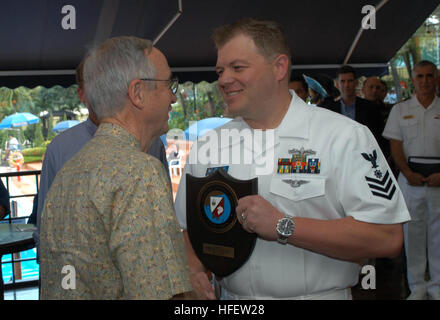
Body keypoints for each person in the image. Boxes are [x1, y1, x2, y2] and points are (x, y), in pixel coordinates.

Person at [174, 18, 410, 300]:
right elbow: (190, 230)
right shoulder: (208, 145)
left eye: (238, 67)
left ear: (279, 67)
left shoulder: (344, 136)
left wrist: (283, 225)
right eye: (220, 70)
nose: (223, 79)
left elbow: (387, 236)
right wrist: (191, 269)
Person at [39, 36, 192, 299]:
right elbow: (160, 293)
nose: (173, 98)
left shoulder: (69, 171)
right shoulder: (139, 172)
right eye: (169, 84)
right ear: (137, 93)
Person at [34, 58, 170, 258]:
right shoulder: (60, 149)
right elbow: (46, 226)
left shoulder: (153, 143)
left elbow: (165, 214)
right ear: (82, 94)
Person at [383, 60, 440, 300]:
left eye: (429, 76)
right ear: (413, 80)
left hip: (439, 182)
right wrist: (407, 173)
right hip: (411, 182)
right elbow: (395, 145)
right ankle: (417, 286)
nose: (425, 81)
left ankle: (437, 286)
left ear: (436, 78)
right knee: (413, 235)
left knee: (439, 235)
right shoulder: (400, 110)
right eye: (420, 76)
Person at [324, 66, 388, 156]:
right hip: (338, 157)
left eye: (350, 81)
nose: (346, 85)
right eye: (342, 81)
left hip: (366, 157)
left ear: (356, 83)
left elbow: (379, 137)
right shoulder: (329, 110)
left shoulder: (371, 108)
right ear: (337, 84)